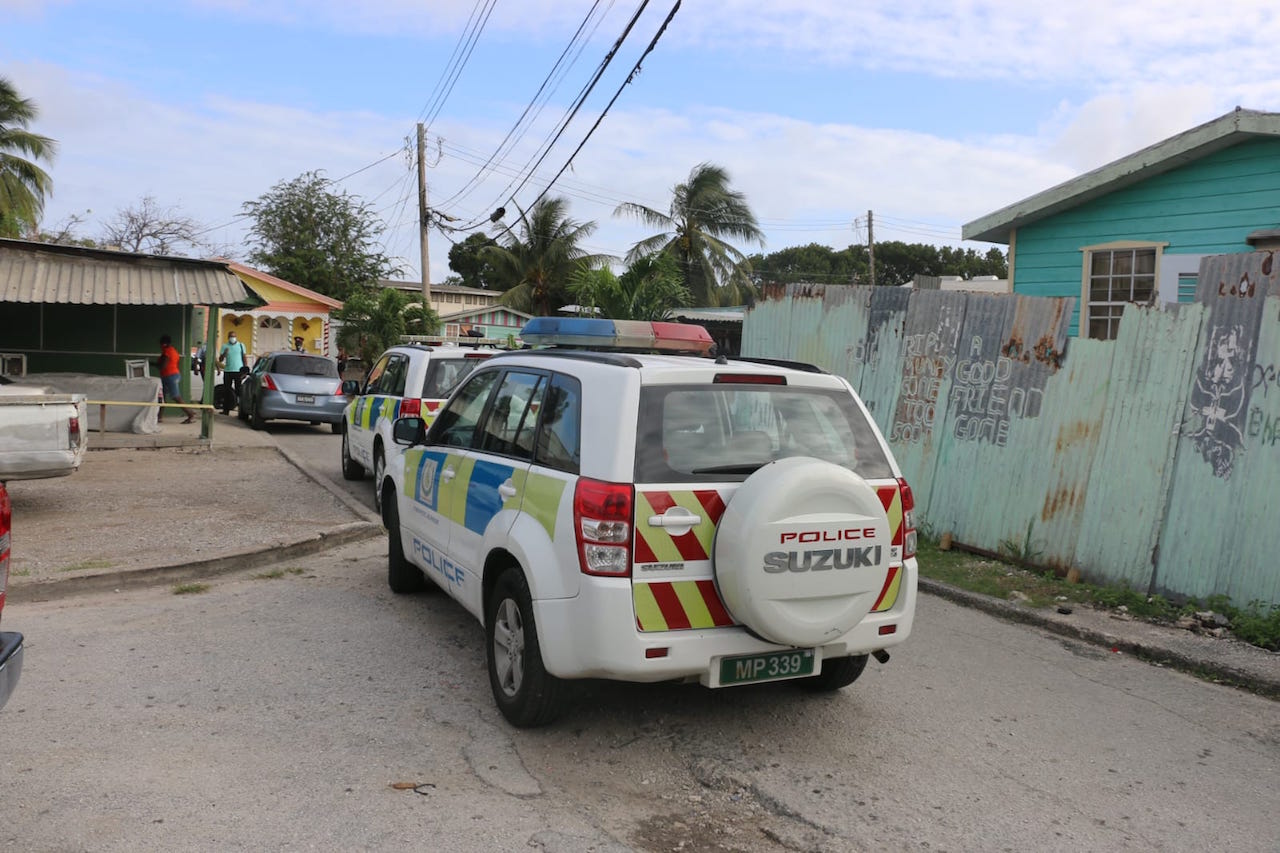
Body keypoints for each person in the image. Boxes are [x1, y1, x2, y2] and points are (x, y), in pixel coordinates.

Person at [157, 334, 197, 424]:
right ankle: (159, 417)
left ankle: (191, 414)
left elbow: (163, 366)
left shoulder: (167, 352)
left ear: (163, 344)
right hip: (170, 375)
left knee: (176, 396)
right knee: (162, 397)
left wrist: (154, 364)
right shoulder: (172, 350)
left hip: (170, 376)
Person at [217, 331, 249, 415]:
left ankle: (241, 409)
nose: (232, 338)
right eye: (231, 336)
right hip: (228, 371)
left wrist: (245, 371)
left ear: (236, 337)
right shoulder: (225, 346)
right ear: (228, 337)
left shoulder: (241, 345)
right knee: (227, 391)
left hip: (238, 371)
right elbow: (220, 359)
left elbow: (244, 357)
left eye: (234, 336)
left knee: (239, 390)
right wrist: (224, 353)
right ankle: (226, 410)